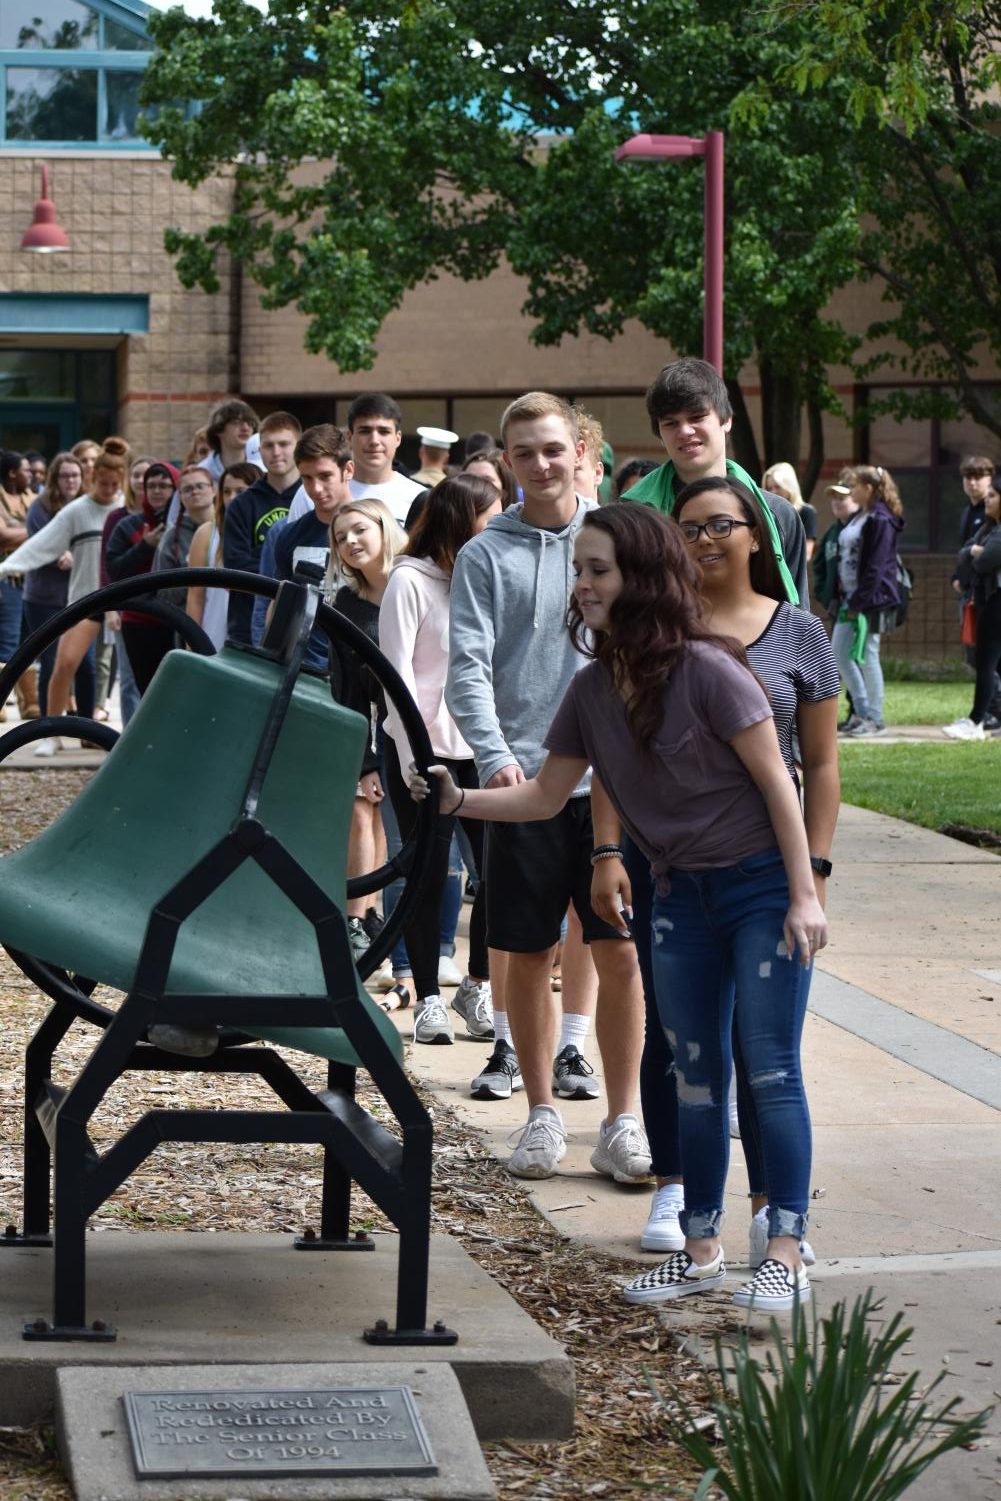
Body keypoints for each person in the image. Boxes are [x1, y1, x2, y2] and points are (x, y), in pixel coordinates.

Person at [418, 502, 828, 1312]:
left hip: (758, 890)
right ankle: (701, 1245)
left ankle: (784, 1246)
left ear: (639, 577)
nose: (582, 584)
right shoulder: (593, 689)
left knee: (769, 1066)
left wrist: (804, 892)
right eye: (579, 569)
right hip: (679, 894)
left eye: (596, 568)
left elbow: (782, 780)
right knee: (694, 1072)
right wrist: (453, 799)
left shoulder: (712, 669)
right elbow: (542, 796)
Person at [612, 475, 838, 1269]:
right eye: (689, 529)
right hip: (670, 868)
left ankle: (780, 1233)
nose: (704, 541)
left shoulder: (799, 633)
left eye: (720, 526)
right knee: (683, 1050)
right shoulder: (657, 633)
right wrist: (608, 851)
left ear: (756, 534)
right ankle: (686, 1210)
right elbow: (614, 748)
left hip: (768, 872)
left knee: (768, 1057)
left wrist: (810, 874)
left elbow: (815, 764)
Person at [446, 391, 649, 1183]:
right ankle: (538, 1113)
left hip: (616, 786)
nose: (539, 463)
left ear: (581, 450)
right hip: (522, 778)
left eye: (552, 448)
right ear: (505, 461)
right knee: (523, 949)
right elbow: (466, 665)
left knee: (619, 948)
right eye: (523, 451)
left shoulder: (616, 542)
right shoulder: (483, 555)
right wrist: (492, 755)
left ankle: (623, 1119)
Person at [380, 474, 501, 1041]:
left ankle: (476, 984)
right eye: (490, 516)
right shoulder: (408, 581)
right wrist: (411, 756)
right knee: (427, 876)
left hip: (482, 748)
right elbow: (396, 676)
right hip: (422, 753)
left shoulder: (486, 579)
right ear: (460, 520)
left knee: (498, 874)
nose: (500, 526)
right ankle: (428, 995)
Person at [624, 359, 810, 607]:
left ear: (727, 420)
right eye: (671, 423)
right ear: (659, 433)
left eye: (697, 416)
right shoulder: (632, 517)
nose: (685, 431)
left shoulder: (778, 515)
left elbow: (796, 622)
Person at [0, 443, 131, 749]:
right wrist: (7, 567)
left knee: (121, 673)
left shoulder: (124, 507)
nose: (109, 490)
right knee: (64, 664)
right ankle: (50, 733)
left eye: (115, 484)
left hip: (122, 599)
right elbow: (42, 544)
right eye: (103, 483)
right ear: (92, 477)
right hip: (85, 600)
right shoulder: (78, 510)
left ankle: (97, 734)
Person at [325, 498, 408, 963]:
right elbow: (348, 692)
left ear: (384, 527)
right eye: (340, 538)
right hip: (386, 729)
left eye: (359, 530)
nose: (350, 542)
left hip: (440, 727)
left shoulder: (417, 579)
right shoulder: (345, 604)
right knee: (373, 816)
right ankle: (363, 921)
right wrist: (364, 761)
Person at [831, 464, 904, 738]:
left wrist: (859, 602)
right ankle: (862, 712)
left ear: (869, 489)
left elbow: (876, 566)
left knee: (868, 655)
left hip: (870, 600)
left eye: (855, 486)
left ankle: (875, 718)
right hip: (851, 597)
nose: (851, 491)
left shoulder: (881, 519)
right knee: (839, 653)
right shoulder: (862, 516)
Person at [21, 452, 94, 727]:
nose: (70, 481)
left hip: (83, 597)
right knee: (51, 662)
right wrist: (60, 555)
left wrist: (76, 554)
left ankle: (88, 728)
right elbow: (40, 544)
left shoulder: (90, 504)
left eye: (75, 475)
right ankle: (49, 727)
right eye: (64, 476)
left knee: (84, 663)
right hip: (44, 598)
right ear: (55, 478)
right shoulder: (40, 507)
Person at [222, 411, 302, 644]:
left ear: (298, 446)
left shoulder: (311, 498)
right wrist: (287, 569)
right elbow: (235, 566)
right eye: (268, 445)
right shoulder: (242, 504)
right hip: (246, 625)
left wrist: (262, 561)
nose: (276, 452)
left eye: (284, 444)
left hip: (300, 626)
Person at [288, 395, 425, 529]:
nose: (374, 441)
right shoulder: (311, 493)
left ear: (398, 438)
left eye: (384, 431)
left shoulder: (419, 498)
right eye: (365, 431)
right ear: (349, 436)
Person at [105, 462, 179, 694]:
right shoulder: (128, 526)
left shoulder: (183, 527)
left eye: (164, 486)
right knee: (148, 692)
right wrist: (144, 546)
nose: (157, 491)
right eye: (152, 486)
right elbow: (114, 570)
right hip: (139, 621)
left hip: (177, 620)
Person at [187, 462, 270, 651]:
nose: (232, 498)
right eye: (226, 491)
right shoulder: (207, 532)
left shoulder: (265, 530)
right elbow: (195, 595)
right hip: (213, 628)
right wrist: (191, 642)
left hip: (251, 627)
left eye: (240, 491)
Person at [944, 482, 1001, 740]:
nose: (987, 500)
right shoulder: (988, 528)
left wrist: (976, 553)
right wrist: (974, 552)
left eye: (993, 495)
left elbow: (986, 560)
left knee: (986, 662)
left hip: (995, 603)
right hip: (985, 600)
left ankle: (976, 720)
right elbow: (965, 554)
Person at [0, 448, 37, 721]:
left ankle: (30, 703)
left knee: (33, 639)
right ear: (12, 473)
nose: (32, 474)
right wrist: (37, 531)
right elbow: (2, 537)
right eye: (26, 470)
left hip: (35, 580)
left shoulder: (34, 498)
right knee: (7, 641)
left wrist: (20, 534)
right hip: (7, 580)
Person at [762, 462, 817, 561]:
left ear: (789, 486)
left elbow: (806, 554)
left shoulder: (806, 512)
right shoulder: (765, 514)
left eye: (777, 487)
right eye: (769, 488)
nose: (773, 492)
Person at [200, 398, 259, 482]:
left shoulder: (263, 470)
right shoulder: (202, 474)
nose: (245, 428)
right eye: (236, 422)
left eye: (250, 423)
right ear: (219, 429)